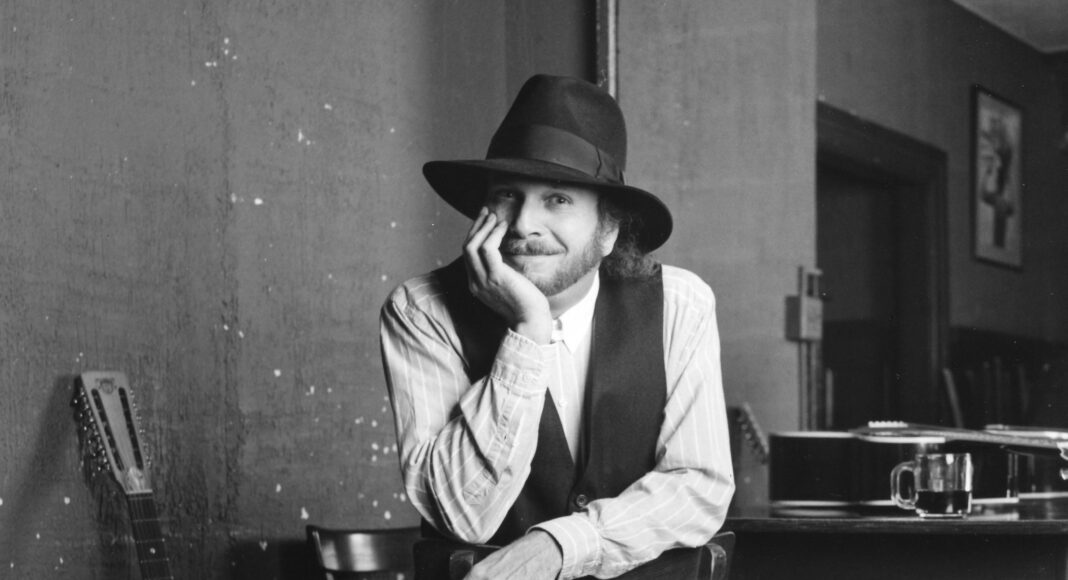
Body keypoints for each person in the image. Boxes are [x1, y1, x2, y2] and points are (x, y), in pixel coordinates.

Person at [380, 74, 734, 580]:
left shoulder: (681, 305)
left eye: (558, 199)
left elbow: (699, 486)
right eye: (508, 194)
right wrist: (528, 331)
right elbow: (462, 514)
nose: (524, 223)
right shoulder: (421, 310)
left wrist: (561, 544)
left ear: (608, 230)